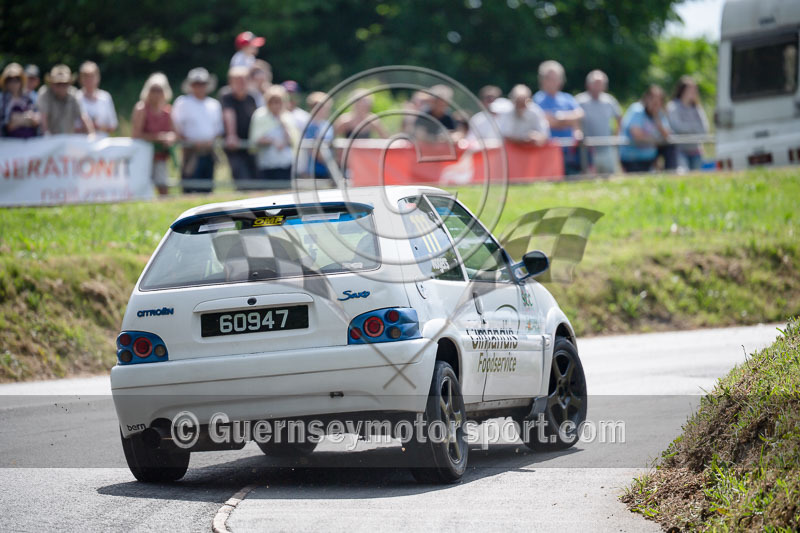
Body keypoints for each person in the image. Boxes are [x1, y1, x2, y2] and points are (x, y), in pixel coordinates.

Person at [171, 67, 223, 193]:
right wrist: (191, 142)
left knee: (208, 187)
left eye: (202, 84)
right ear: (191, 85)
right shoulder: (183, 102)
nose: (199, 87)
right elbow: (175, 126)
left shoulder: (214, 104)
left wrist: (209, 142)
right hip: (190, 152)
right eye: (196, 84)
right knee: (190, 187)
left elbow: (218, 129)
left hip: (209, 151)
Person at [534, 60, 584, 174]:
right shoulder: (537, 100)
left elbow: (579, 115)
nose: (553, 82)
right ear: (542, 80)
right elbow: (546, 121)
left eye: (556, 78)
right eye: (549, 78)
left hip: (571, 152)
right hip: (548, 152)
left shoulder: (568, 98)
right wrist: (569, 121)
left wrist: (558, 118)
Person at [131, 73, 176, 196]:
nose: (156, 93)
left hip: (160, 156)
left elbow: (175, 132)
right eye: (153, 90)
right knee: (142, 187)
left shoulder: (167, 111)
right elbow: (136, 134)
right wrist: (159, 137)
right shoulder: (142, 109)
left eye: (159, 90)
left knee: (162, 186)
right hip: (143, 155)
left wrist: (170, 137)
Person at [576, 70, 623, 174]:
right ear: (588, 84)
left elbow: (619, 117)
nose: (598, 86)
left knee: (610, 177)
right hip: (587, 150)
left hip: (607, 148)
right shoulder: (580, 101)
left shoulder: (609, 100)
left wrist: (616, 136)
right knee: (588, 178)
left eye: (600, 83)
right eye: (595, 83)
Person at [249, 85, 298, 183]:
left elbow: (294, 139)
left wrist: (283, 125)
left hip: (286, 163)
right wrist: (272, 141)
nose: (276, 105)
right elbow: (255, 138)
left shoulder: (288, 117)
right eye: (273, 102)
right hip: (267, 164)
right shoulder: (260, 116)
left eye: (279, 102)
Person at [219, 66, 258, 188]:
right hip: (235, 147)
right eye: (237, 81)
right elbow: (229, 115)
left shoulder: (251, 98)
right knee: (243, 180)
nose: (241, 84)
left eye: (244, 80)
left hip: (250, 146)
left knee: (257, 179)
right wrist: (231, 135)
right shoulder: (227, 96)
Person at [619, 85, 672, 173]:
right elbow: (637, 135)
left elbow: (667, 135)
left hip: (649, 158)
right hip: (632, 158)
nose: (655, 103)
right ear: (647, 98)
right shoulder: (637, 110)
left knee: (671, 148)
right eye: (653, 99)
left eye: (658, 101)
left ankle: (671, 173)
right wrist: (655, 140)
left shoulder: (659, 113)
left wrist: (657, 120)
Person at [667, 76, 709, 171]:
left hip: (696, 150)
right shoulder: (673, 106)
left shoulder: (697, 108)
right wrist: (694, 127)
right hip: (680, 150)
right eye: (691, 89)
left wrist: (689, 128)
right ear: (683, 90)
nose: (694, 92)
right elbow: (677, 127)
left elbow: (704, 128)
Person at [38, 65, 93, 135]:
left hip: (68, 137)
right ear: (51, 84)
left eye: (65, 84)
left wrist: (91, 134)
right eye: (58, 84)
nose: (61, 87)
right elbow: (43, 119)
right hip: (48, 138)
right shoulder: (45, 95)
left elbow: (83, 117)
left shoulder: (73, 94)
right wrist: (47, 136)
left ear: (69, 84)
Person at [76, 61, 118, 136]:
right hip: (80, 141)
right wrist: (87, 127)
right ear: (80, 79)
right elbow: (71, 127)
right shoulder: (76, 98)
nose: (89, 80)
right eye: (86, 76)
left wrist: (99, 127)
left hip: (102, 141)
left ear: (98, 77)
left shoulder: (105, 97)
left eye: (92, 76)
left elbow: (113, 125)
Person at [1, 63, 40, 138]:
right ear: (5, 82)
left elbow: (36, 121)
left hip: (30, 141)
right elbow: (8, 125)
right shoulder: (2, 99)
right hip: (7, 142)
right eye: (9, 80)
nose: (13, 83)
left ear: (21, 81)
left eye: (16, 80)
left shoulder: (28, 98)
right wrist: (27, 118)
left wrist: (17, 118)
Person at [302, 91, 334, 179]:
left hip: (328, 169)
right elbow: (312, 150)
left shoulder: (327, 125)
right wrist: (328, 162)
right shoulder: (309, 126)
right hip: (314, 171)